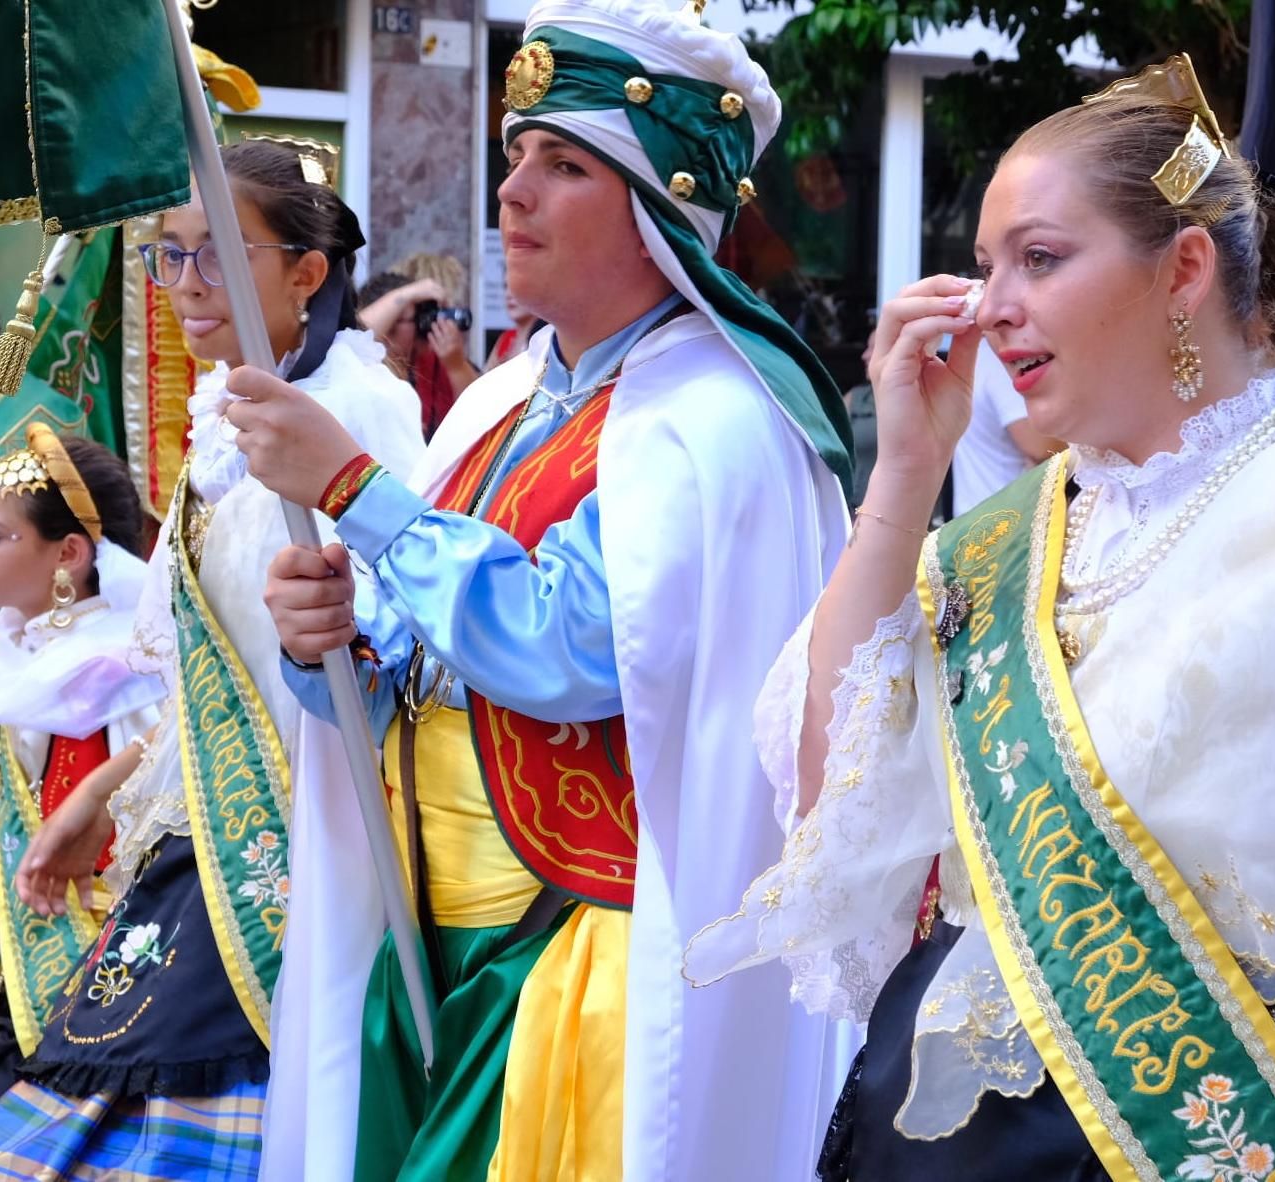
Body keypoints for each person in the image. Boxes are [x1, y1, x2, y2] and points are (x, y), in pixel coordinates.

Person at [686, 56, 1275, 1181]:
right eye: (987, 268)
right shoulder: (1002, 539)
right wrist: (903, 478)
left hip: (1164, 1144)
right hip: (920, 1138)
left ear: (1182, 269)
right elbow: (833, 800)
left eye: (1039, 258)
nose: (991, 307)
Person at [243, 2, 853, 1177]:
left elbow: (575, 648)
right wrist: (332, 648)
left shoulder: (716, 421)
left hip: (576, 970)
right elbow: (415, 674)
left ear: (662, 212)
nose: (512, 190)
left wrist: (356, 486)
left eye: (562, 163)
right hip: (428, 953)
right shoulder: (497, 403)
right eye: (516, 154)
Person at [0, 139, 423, 1180]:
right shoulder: (235, 418)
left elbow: (385, 656)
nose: (186, 287)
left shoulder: (356, 421)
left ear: (306, 273)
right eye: (169, 255)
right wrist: (98, 796)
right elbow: (195, 684)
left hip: (309, 852)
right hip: (202, 850)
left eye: (214, 255)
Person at [0, 428, 160, 1081]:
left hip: (89, 973)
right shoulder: (16, 654)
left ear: (67, 554)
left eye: (1, 535)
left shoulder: (130, 672)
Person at [359, 266, 476, 438]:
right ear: (388, 327)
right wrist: (407, 294)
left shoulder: (436, 361)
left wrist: (456, 366)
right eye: (411, 319)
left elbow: (479, 411)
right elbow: (358, 336)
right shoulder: (359, 366)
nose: (421, 324)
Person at [951, 344, 1064, 513]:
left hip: (979, 512)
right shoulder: (1001, 364)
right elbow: (1041, 448)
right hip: (1005, 522)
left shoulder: (975, 356)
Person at [489, 289, 540, 366]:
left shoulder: (547, 339)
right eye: (505, 286)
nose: (508, 295)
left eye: (519, 287)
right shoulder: (506, 338)